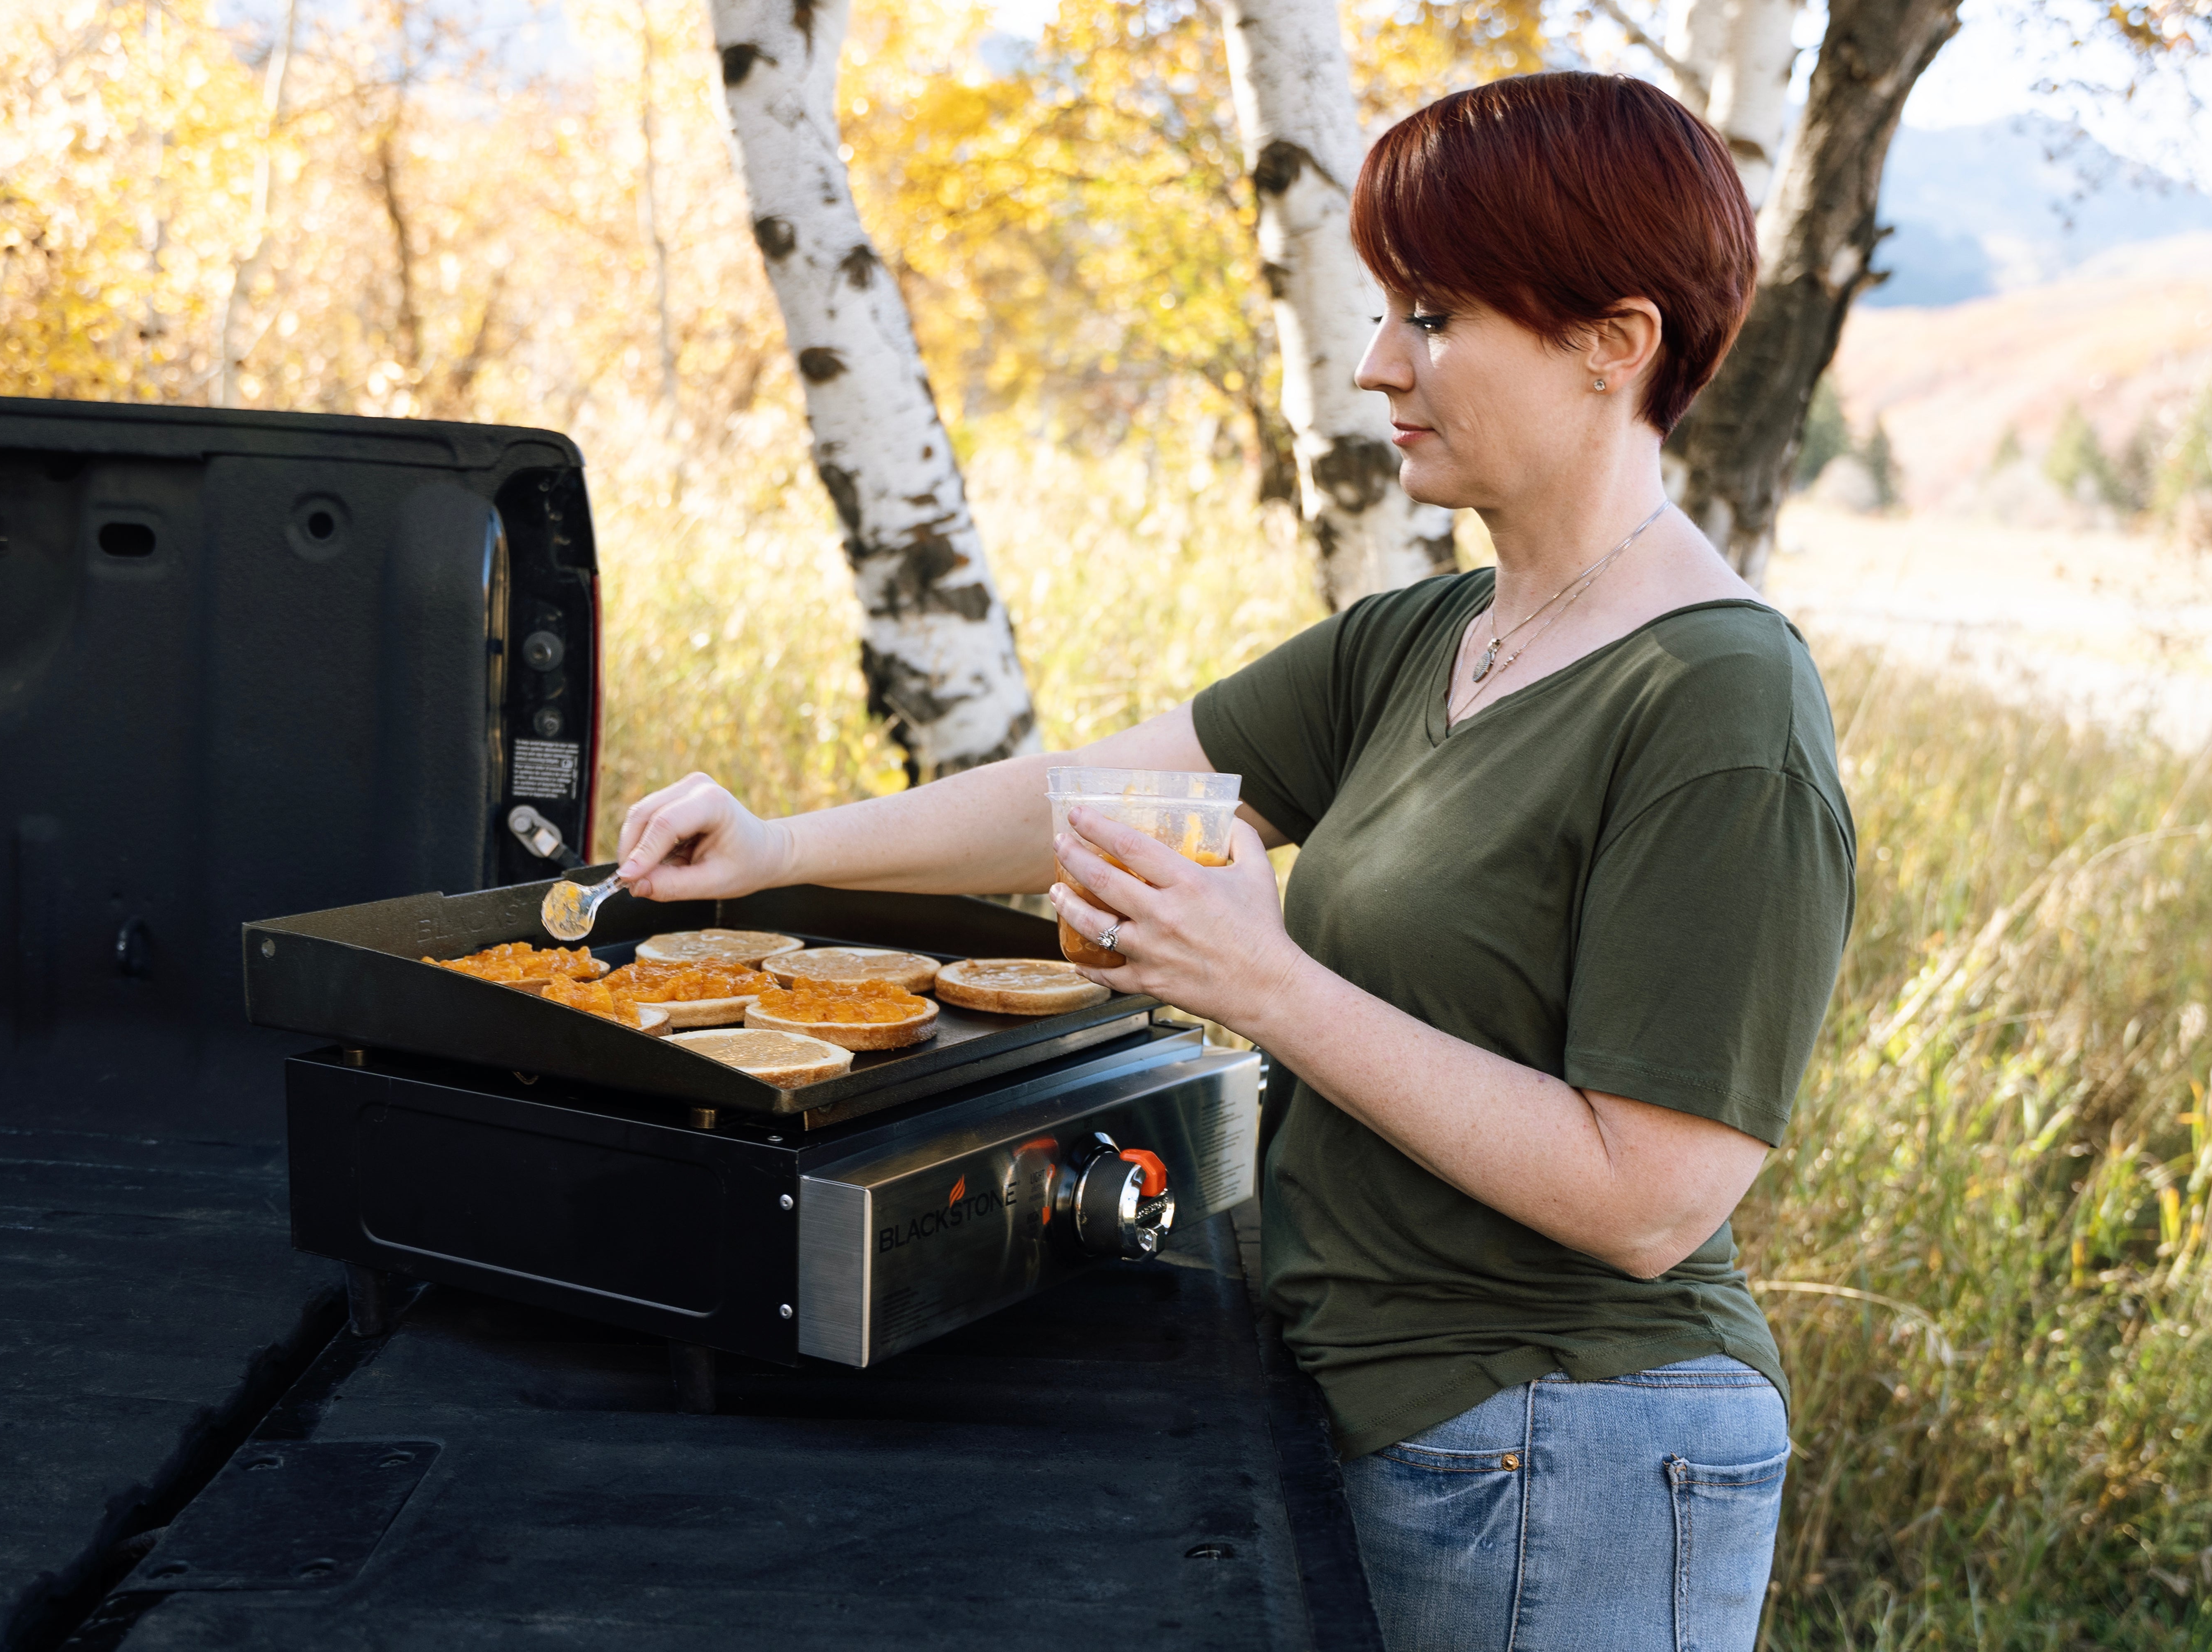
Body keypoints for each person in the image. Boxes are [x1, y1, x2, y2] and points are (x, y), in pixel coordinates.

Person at [612, 70, 1853, 1652]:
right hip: (1396, 1415)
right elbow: (1082, 797)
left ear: (1614, 344)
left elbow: (1652, 1198)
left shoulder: (1720, 702)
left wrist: (1264, 984)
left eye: (1435, 316)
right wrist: (778, 849)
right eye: (1389, 312)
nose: (1376, 363)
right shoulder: (1434, 640)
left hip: (1576, 1446)